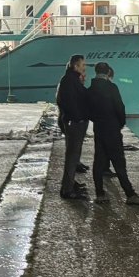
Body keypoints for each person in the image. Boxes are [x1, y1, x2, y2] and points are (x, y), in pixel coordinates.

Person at [85, 63, 139, 206]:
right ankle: (130, 195)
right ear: (108, 72)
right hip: (112, 129)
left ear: (95, 72)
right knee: (119, 163)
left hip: (99, 128)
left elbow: (88, 111)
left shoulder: (90, 90)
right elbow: (120, 107)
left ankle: (100, 194)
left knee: (99, 161)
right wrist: (120, 123)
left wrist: (97, 120)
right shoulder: (112, 88)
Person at [55, 54, 89, 200]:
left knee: (73, 156)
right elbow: (68, 102)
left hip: (72, 121)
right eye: (82, 65)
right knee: (72, 156)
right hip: (74, 123)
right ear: (75, 66)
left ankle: (70, 183)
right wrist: (78, 118)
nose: (84, 67)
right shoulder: (70, 81)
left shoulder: (71, 79)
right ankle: (67, 190)